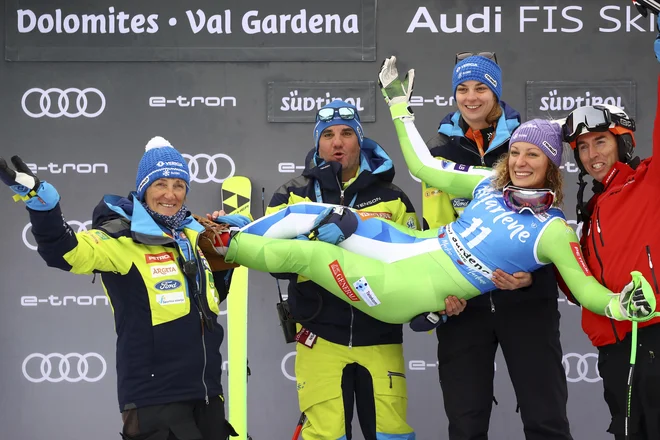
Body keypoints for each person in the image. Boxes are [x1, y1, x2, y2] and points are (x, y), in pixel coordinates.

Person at [204, 110, 655, 326]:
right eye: (515, 152)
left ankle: (225, 248)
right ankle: (229, 238)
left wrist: (620, 306)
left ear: (551, 165)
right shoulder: (487, 184)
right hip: (400, 245)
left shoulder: (553, 229)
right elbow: (423, 167)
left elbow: (586, 289)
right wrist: (399, 106)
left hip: (403, 287)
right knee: (312, 214)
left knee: (306, 256)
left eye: (532, 155)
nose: (519, 162)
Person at [0, 137, 244, 440]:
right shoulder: (122, 239)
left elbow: (203, 303)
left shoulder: (190, 238)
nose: (171, 194)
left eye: (179, 185)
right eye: (161, 184)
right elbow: (66, 252)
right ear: (144, 189)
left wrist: (236, 241)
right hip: (154, 399)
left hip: (206, 394)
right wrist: (42, 205)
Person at [422, 52, 574, 440]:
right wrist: (441, 291)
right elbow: (434, 229)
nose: (471, 97)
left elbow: (549, 226)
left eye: (481, 88)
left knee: (546, 419)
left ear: (497, 92)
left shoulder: (527, 140)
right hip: (465, 304)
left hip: (526, 301)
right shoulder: (437, 151)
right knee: (466, 422)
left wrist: (531, 278)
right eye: (462, 89)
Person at [262, 100, 430, 440]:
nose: (337, 142)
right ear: (317, 143)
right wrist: (315, 245)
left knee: (390, 434)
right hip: (319, 335)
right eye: (328, 135)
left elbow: (414, 260)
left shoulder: (391, 196)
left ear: (359, 140)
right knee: (325, 436)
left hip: (379, 335)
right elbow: (272, 263)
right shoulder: (292, 195)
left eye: (346, 133)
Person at [559, 47, 660, 438]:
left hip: (653, 335)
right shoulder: (591, 209)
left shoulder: (650, 180)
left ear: (623, 141)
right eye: (582, 147)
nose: (590, 155)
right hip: (614, 349)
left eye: (600, 141)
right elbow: (579, 285)